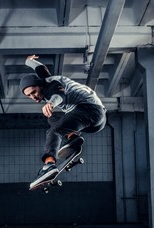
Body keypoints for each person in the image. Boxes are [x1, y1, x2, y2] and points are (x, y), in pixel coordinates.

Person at [19, 55, 107, 186]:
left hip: (90, 111)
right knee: (52, 117)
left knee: (54, 131)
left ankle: (49, 165)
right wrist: (28, 61)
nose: (33, 97)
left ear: (40, 86)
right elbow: (40, 67)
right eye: (29, 96)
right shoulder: (44, 79)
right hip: (93, 117)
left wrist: (51, 104)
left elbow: (59, 94)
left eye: (34, 92)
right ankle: (73, 138)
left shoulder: (52, 87)